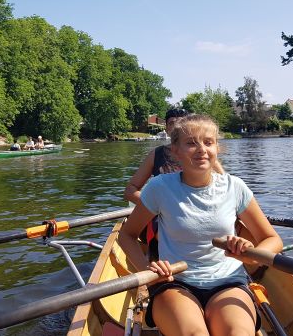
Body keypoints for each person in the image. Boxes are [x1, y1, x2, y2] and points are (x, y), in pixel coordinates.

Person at [118, 114, 282, 336]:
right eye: (191, 143)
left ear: (217, 148)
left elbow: (273, 240)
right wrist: (148, 271)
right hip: (176, 282)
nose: (202, 149)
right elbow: (127, 235)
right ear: (175, 150)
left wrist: (251, 256)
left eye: (208, 142)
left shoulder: (235, 187)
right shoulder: (158, 188)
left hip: (229, 282)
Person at [124, 108, 193, 259]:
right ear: (167, 129)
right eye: (172, 124)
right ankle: (155, 259)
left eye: (181, 123)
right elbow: (130, 190)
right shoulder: (156, 154)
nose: (176, 127)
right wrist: (156, 204)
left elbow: (221, 184)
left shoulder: (200, 153)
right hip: (162, 216)